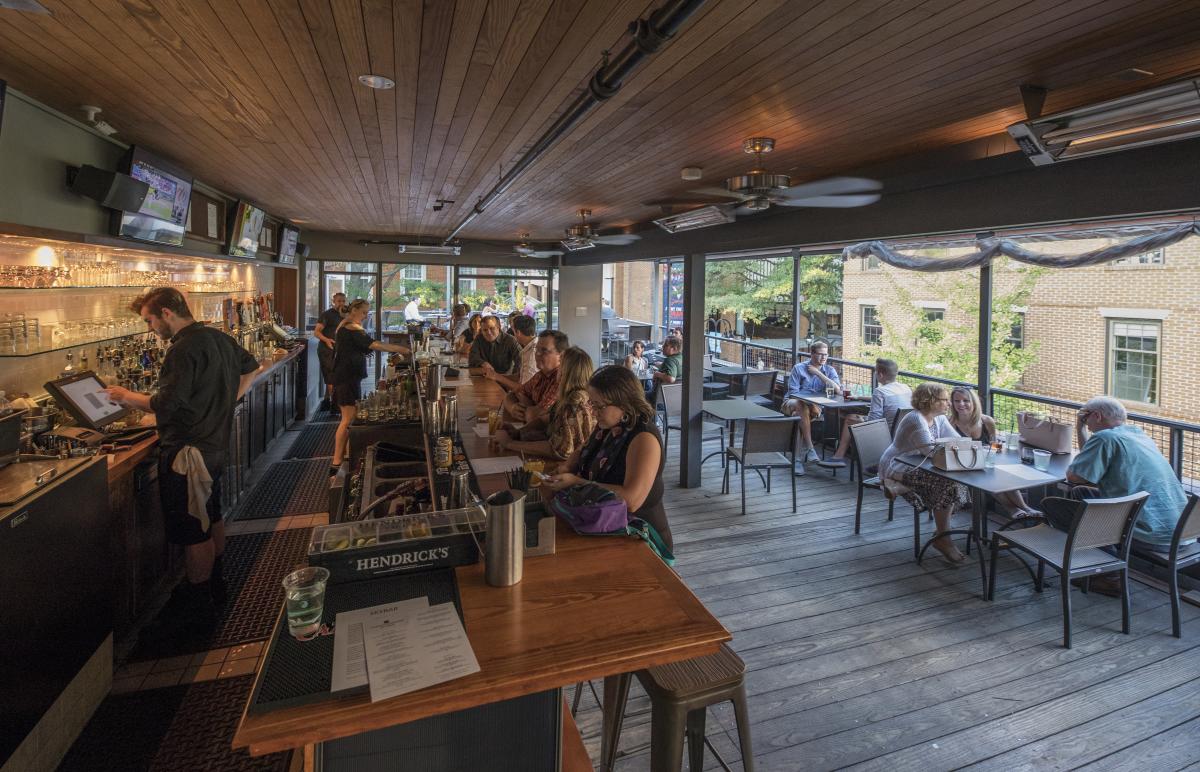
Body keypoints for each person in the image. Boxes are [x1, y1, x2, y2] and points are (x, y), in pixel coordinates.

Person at [102, 288, 261, 637]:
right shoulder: (217, 337)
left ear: (167, 313)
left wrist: (126, 397)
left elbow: (167, 404)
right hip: (214, 446)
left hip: (188, 453)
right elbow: (251, 365)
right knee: (212, 513)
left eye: (150, 320)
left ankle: (198, 607)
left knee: (193, 529)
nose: (151, 328)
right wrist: (229, 401)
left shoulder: (182, 348)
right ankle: (216, 585)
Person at [1040, 397, 1190, 592]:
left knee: (1051, 505)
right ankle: (1101, 563)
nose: (1086, 422)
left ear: (1097, 416)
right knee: (1081, 493)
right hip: (1182, 532)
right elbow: (1087, 474)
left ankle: (1109, 574)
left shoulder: (1105, 438)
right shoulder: (1138, 435)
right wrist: (1082, 428)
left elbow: (1075, 475)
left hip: (1151, 534)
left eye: (1085, 418)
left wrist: (1080, 427)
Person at [544, 365, 671, 550]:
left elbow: (631, 500)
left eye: (599, 406)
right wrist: (569, 465)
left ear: (624, 403)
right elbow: (584, 449)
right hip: (602, 525)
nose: (593, 412)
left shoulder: (644, 437)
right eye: (592, 404)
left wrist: (575, 482)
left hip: (639, 538)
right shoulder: (610, 425)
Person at [879, 382, 970, 564]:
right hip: (898, 464)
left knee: (953, 482)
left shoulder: (939, 418)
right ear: (929, 401)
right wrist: (948, 446)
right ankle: (944, 537)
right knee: (944, 483)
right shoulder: (915, 418)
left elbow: (959, 442)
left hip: (921, 464)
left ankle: (941, 534)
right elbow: (929, 451)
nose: (949, 404)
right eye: (944, 400)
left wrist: (953, 445)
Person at [329, 299, 410, 476]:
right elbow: (375, 345)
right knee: (347, 419)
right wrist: (402, 349)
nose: (366, 316)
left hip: (348, 377)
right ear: (354, 310)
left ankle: (347, 458)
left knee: (350, 419)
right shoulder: (350, 327)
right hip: (346, 378)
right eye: (364, 312)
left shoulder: (348, 325)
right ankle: (336, 464)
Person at [947, 386, 1036, 517]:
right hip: (965, 466)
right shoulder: (950, 423)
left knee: (1002, 474)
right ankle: (1012, 509)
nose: (961, 404)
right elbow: (951, 449)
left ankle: (1025, 508)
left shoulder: (987, 421)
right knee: (989, 478)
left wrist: (996, 447)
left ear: (974, 402)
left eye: (966, 400)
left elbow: (995, 446)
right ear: (952, 403)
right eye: (957, 401)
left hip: (988, 462)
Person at [495, 346, 595, 460]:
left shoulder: (574, 403)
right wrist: (518, 433)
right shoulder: (571, 396)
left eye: (561, 365)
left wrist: (510, 443)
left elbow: (557, 450)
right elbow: (545, 420)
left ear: (564, 373)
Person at [818, 358, 912, 469]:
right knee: (854, 418)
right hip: (902, 432)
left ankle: (838, 457)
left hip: (886, 435)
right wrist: (858, 397)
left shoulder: (880, 391)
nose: (875, 374)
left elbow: (873, 421)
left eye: (876, 372)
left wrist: (861, 419)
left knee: (849, 418)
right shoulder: (905, 388)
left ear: (880, 375)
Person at [781, 341, 841, 471]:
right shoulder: (799, 368)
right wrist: (810, 403)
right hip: (791, 403)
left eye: (825, 354)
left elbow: (837, 390)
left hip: (813, 409)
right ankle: (810, 448)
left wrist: (819, 374)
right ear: (812, 354)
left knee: (798, 417)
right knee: (800, 404)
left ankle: (796, 461)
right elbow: (793, 394)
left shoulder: (829, 370)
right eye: (820, 354)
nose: (823, 357)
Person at [499, 329, 567, 423]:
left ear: (561, 356)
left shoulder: (563, 379)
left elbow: (534, 417)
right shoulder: (540, 375)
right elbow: (511, 395)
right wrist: (512, 408)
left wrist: (525, 402)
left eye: (544, 350)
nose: (537, 354)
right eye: (537, 349)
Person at [486, 314, 539, 389]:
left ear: (518, 332)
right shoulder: (530, 346)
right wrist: (496, 376)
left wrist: (498, 378)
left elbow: (524, 389)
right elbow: (520, 377)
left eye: (513, 331)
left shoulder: (532, 353)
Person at [313, 292, 346, 410]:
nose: (341, 303)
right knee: (331, 377)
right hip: (326, 350)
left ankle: (332, 401)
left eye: (343, 301)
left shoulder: (345, 316)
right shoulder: (326, 315)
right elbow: (316, 332)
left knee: (338, 376)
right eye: (339, 301)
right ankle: (335, 404)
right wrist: (326, 340)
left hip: (339, 350)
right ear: (333, 302)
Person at [648, 336, 683, 400]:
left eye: (666, 345)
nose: (662, 347)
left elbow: (671, 378)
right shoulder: (681, 357)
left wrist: (657, 374)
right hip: (674, 395)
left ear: (674, 349)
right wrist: (662, 365)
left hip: (660, 396)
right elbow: (675, 367)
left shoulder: (669, 360)